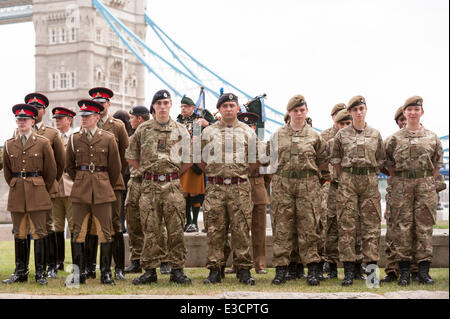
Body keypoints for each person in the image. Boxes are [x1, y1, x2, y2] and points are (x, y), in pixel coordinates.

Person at [126, 89, 192, 285]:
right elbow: (131, 156)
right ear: (153, 106)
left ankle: (177, 270)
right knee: (150, 229)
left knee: (175, 229)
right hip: (149, 186)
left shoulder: (180, 130)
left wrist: (173, 174)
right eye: (159, 103)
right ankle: (149, 271)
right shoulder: (143, 129)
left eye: (166, 103)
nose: (162, 107)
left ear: (170, 105)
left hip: (172, 185)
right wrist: (146, 171)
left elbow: (189, 159)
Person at [201, 93, 260, 286]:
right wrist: (215, 173)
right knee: (214, 229)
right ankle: (215, 270)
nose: (228, 108)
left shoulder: (247, 132)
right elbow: (200, 160)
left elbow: (254, 161)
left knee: (241, 229)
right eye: (224, 105)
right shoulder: (208, 132)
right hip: (215, 187)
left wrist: (237, 173)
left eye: (232, 105)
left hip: (239, 188)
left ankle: (243, 269)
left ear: (237, 109)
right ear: (219, 109)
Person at [269, 94, 328, 286]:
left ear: (307, 111)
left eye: (302, 110)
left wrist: (309, 175)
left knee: (309, 227)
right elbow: (267, 158)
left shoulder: (314, 136)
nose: (299, 113)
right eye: (295, 110)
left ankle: (312, 269)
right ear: (289, 112)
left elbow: (323, 160)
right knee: (282, 227)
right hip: (283, 185)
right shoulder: (278, 135)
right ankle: (281, 270)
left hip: (307, 186)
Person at [385, 96, 443, 286]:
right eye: (409, 110)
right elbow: (388, 164)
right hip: (402, 186)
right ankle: (403, 272)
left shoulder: (432, 137)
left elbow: (437, 164)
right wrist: (401, 177)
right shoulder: (395, 138)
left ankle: (423, 272)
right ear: (404, 113)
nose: (412, 113)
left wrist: (426, 179)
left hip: (425, 186)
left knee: (424, 228)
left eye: (416, 110)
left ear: (422, 112)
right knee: (403, 228)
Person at [331, 95, 385, 286]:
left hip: (369, 181)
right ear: (351, 112)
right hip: (348, 181)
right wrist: (345, 175)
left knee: (371, 227)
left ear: (366, 109)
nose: (359, 112)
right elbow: (335, 159)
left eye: (361, 109)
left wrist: (370, 172)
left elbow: (381, 159)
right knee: (347, 226)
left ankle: (371, 275)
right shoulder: (342, 134)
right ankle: (348, 273)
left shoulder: (375, 134)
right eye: (355, 110)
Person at [65, 99, 121, 285]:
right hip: (80, 190)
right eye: (82, 116)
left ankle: (105, 273)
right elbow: (69, 166)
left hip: (103, 189)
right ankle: (77, 273)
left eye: (87, 116)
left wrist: (103, 182)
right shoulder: (74, 139)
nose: (83, 119)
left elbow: (115, 168)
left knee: (105, 232)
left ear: (97, 117)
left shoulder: (108, 138)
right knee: (77, 232)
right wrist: (81, 179)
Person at [2, 103, 57, 285]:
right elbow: (8, 172)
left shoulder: (42, 142)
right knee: (19, 232)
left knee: (39, 232)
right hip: (18, 193)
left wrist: (41, 189)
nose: (21, 123)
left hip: (38, 192)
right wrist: (16, 184)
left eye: (25, 120)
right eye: (19, 120)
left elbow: (51, 171)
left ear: (32, 121)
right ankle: (21, 272)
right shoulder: (9, 144)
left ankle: (40, 273)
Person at [86, 87, 129, 281]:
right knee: (91, 224)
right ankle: (89, 266)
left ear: (108, 104)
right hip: (91, 185)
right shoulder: (86, 126)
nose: (100, 106)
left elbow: (126, 155)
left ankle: (118, 267)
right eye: (96, 103)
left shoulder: (118, 126)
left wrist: (114, 176)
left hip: (113, 184)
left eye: (103, 103)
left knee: (115, 224)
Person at [24, 92, 65, 279]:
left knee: (48, 226)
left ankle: (51, 265)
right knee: (25, 227)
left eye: (38, 108)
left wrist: (51, 184)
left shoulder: (52, 133)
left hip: (45, 187)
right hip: (25, 189)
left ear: (43, 111)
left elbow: (60, 163)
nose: (35, 111)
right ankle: (26, 268)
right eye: (32, 108)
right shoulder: (20, 131)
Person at [237, 111, 271, 275]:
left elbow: (269, 171)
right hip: (238, 186)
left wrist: (262, 185)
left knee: (259, 229)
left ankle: (260, 264)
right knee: (238, 228)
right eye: (245, 125)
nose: (248, 128)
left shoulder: (263, 147)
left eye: (251, 125)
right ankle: (237, 263)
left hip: (257, 186)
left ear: (254, 128)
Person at [323, 109, 353, 279]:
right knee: (332, 226)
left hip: (352, 188)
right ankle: (332, 266)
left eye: (347, 124)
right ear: (335, 124)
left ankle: (356, 267)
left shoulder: (358, 140)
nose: (344, 127)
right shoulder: (329, 142)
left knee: (354, 226)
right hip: (334, 187)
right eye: (341, 124)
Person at [176, 95, 209, 233]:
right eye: (182, 107)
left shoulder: (198, 121)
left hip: (195, 163)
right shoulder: (177, 121)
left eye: (186, 107)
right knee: (183, 194)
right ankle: (187, 221)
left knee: (195, 193)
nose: (183, 109)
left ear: (192, 108)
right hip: (181, 161)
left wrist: (207, 124)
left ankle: (194, 222)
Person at [123, 106, 149, 274]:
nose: (130, 121)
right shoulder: (132, 137)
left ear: (139, 119)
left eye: (132, 118)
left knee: (155, 223)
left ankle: (163, 259)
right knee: (133, 222)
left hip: (150, 182)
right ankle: (136, 259)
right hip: (134, 183)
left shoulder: (153, 134)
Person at [51, 106, 76, 271]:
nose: (57, 121)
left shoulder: (75, 137)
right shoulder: (52, 138)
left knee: (75, 226)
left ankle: (77, 261)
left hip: (72, 186)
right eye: (56, 118)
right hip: (56, 187)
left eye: (61, 118)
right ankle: (58, 262)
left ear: (69, 119)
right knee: (57, 226)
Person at [113, 109, 134, 234]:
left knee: (120, 199)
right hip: (129, 171)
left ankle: (121, 222)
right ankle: (125, 223)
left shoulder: (116, 133)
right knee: (127, 198)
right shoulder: (131, 133)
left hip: (121, 171)